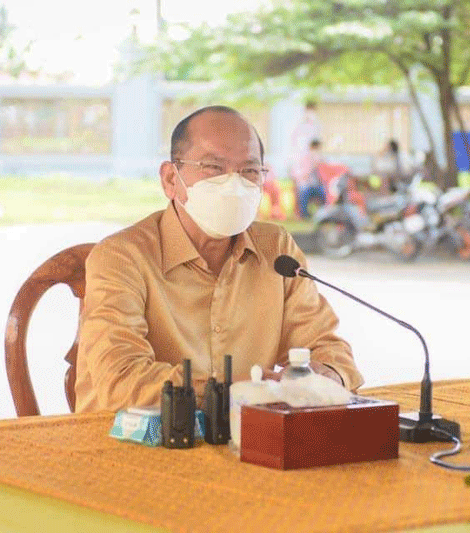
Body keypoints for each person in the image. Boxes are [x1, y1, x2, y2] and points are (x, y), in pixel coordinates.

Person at [74, 106, 363, 413]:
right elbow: (121, 382)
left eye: (249, 171)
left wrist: (326, 378)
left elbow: (327, 348)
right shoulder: (122, 257)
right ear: (170, 179)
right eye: (213, 167)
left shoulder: (277, 250)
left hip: (243, 437)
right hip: (126, 439)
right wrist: (234, 391)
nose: (233, 184)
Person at [292, 138, 327, 219]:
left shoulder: (321, 159)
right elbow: (298, 174)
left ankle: (322, 215)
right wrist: (311, 165)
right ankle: (304, 215)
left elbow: (324, 174)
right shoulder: (304, 158)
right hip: (305, 185)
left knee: (324, 193)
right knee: (304, 193)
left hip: (316, 186)